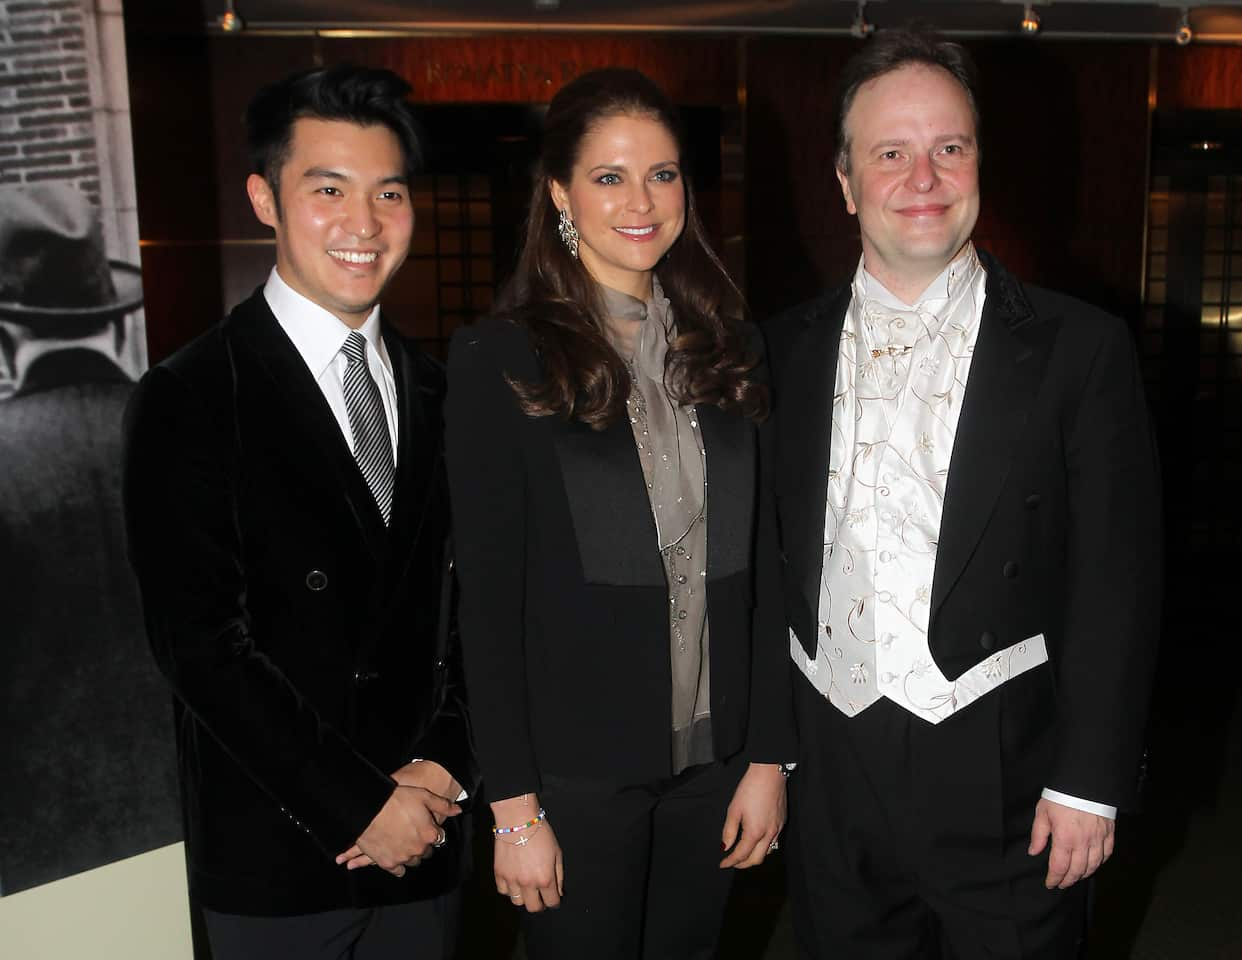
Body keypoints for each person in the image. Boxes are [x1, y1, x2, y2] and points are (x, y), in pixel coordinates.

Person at [758, 27, 1162, 959]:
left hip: (1009, 776)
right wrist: (767, 756)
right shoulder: (775, 351)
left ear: (981, 164)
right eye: (890, 154)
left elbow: (1117, 576)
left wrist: (1089, 780)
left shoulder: (1079, 347)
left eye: (950, 148)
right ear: (847, 183)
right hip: (832, 770)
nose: (924, 177)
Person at [122, 65, 473, 960]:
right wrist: (358, 805)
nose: (363, 224)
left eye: (388, 192)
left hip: (426, 843)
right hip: (279, 858)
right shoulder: (191, 395)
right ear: (264, 199)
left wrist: (441, 769)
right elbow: (199, 644)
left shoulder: (444, 393)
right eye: (328, 190)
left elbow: (476, 608)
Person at [445, 67, 796, 960]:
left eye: (664, 173)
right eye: (609, 176)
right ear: (560, 192)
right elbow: (488, 607)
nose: (642, 201)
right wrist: (514, 808)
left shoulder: (729, 344)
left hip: (713, 766)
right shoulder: (504, 358)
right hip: (578, 767)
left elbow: (766, 567)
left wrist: (768, 756)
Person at [0, 184, 178, 896]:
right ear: (116, 325)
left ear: (7, 338)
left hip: (40, 852)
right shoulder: (197, 437)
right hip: (208, 827)